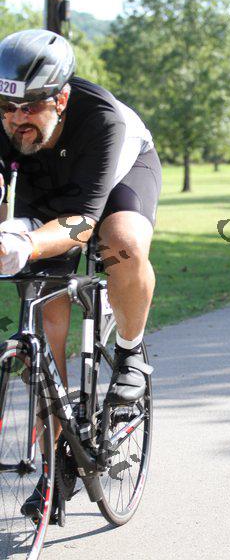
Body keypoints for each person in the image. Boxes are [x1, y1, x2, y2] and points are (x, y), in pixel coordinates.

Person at [0, 28, 162, 518]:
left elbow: (82, 223)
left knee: (122, 244)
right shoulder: (8, 123)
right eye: (7, 108)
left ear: (62, 98)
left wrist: (27, 242)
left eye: (31, 107)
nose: (17, 119)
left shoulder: (101, 118)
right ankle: (56, 469)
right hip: (42, 185)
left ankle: (130, 352)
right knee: (45, 325)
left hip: (115, 177)